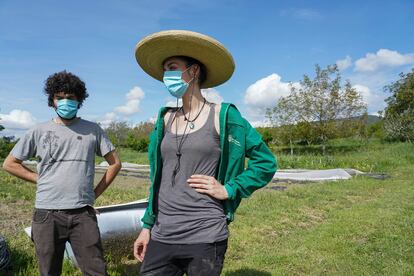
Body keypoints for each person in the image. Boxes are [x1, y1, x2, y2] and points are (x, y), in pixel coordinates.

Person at [133, 30, 277, 276]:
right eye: (165, 70)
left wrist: (229, 189)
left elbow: (266, 162)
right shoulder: (164, 119)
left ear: (194, 71)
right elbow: (157, 179)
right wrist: (147, 226)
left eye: (172, 67)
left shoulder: (224, 116)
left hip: (205, 233)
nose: (167, 75)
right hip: (162, 233)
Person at [2, 71, 122, 276]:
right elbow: (10, 163)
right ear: (52, 100)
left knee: (96, 270)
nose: (65, 101)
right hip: (47, 214)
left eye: (71, 97)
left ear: (79, 100)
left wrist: (94, 194)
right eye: (60, 97)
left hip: (82, 214)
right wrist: (37, 178)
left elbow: (115, 164)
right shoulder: (38, 131)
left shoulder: (93, 130)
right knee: (49, 271)